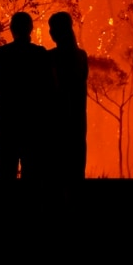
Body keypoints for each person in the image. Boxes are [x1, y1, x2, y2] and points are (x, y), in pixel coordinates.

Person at [0, 12, 56, 179]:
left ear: (11, 29)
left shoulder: (1, 54)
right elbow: (50, 88)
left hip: (6, 122)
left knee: (5, 173)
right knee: (32, 176)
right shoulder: (40, 54)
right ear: (31, 29)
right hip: (33, 124)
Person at [48, 11, 89, 180]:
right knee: (75, 173)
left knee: (55, 175)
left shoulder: (51, 57)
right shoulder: (81, 56)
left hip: (56, 122)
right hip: (77, 123)